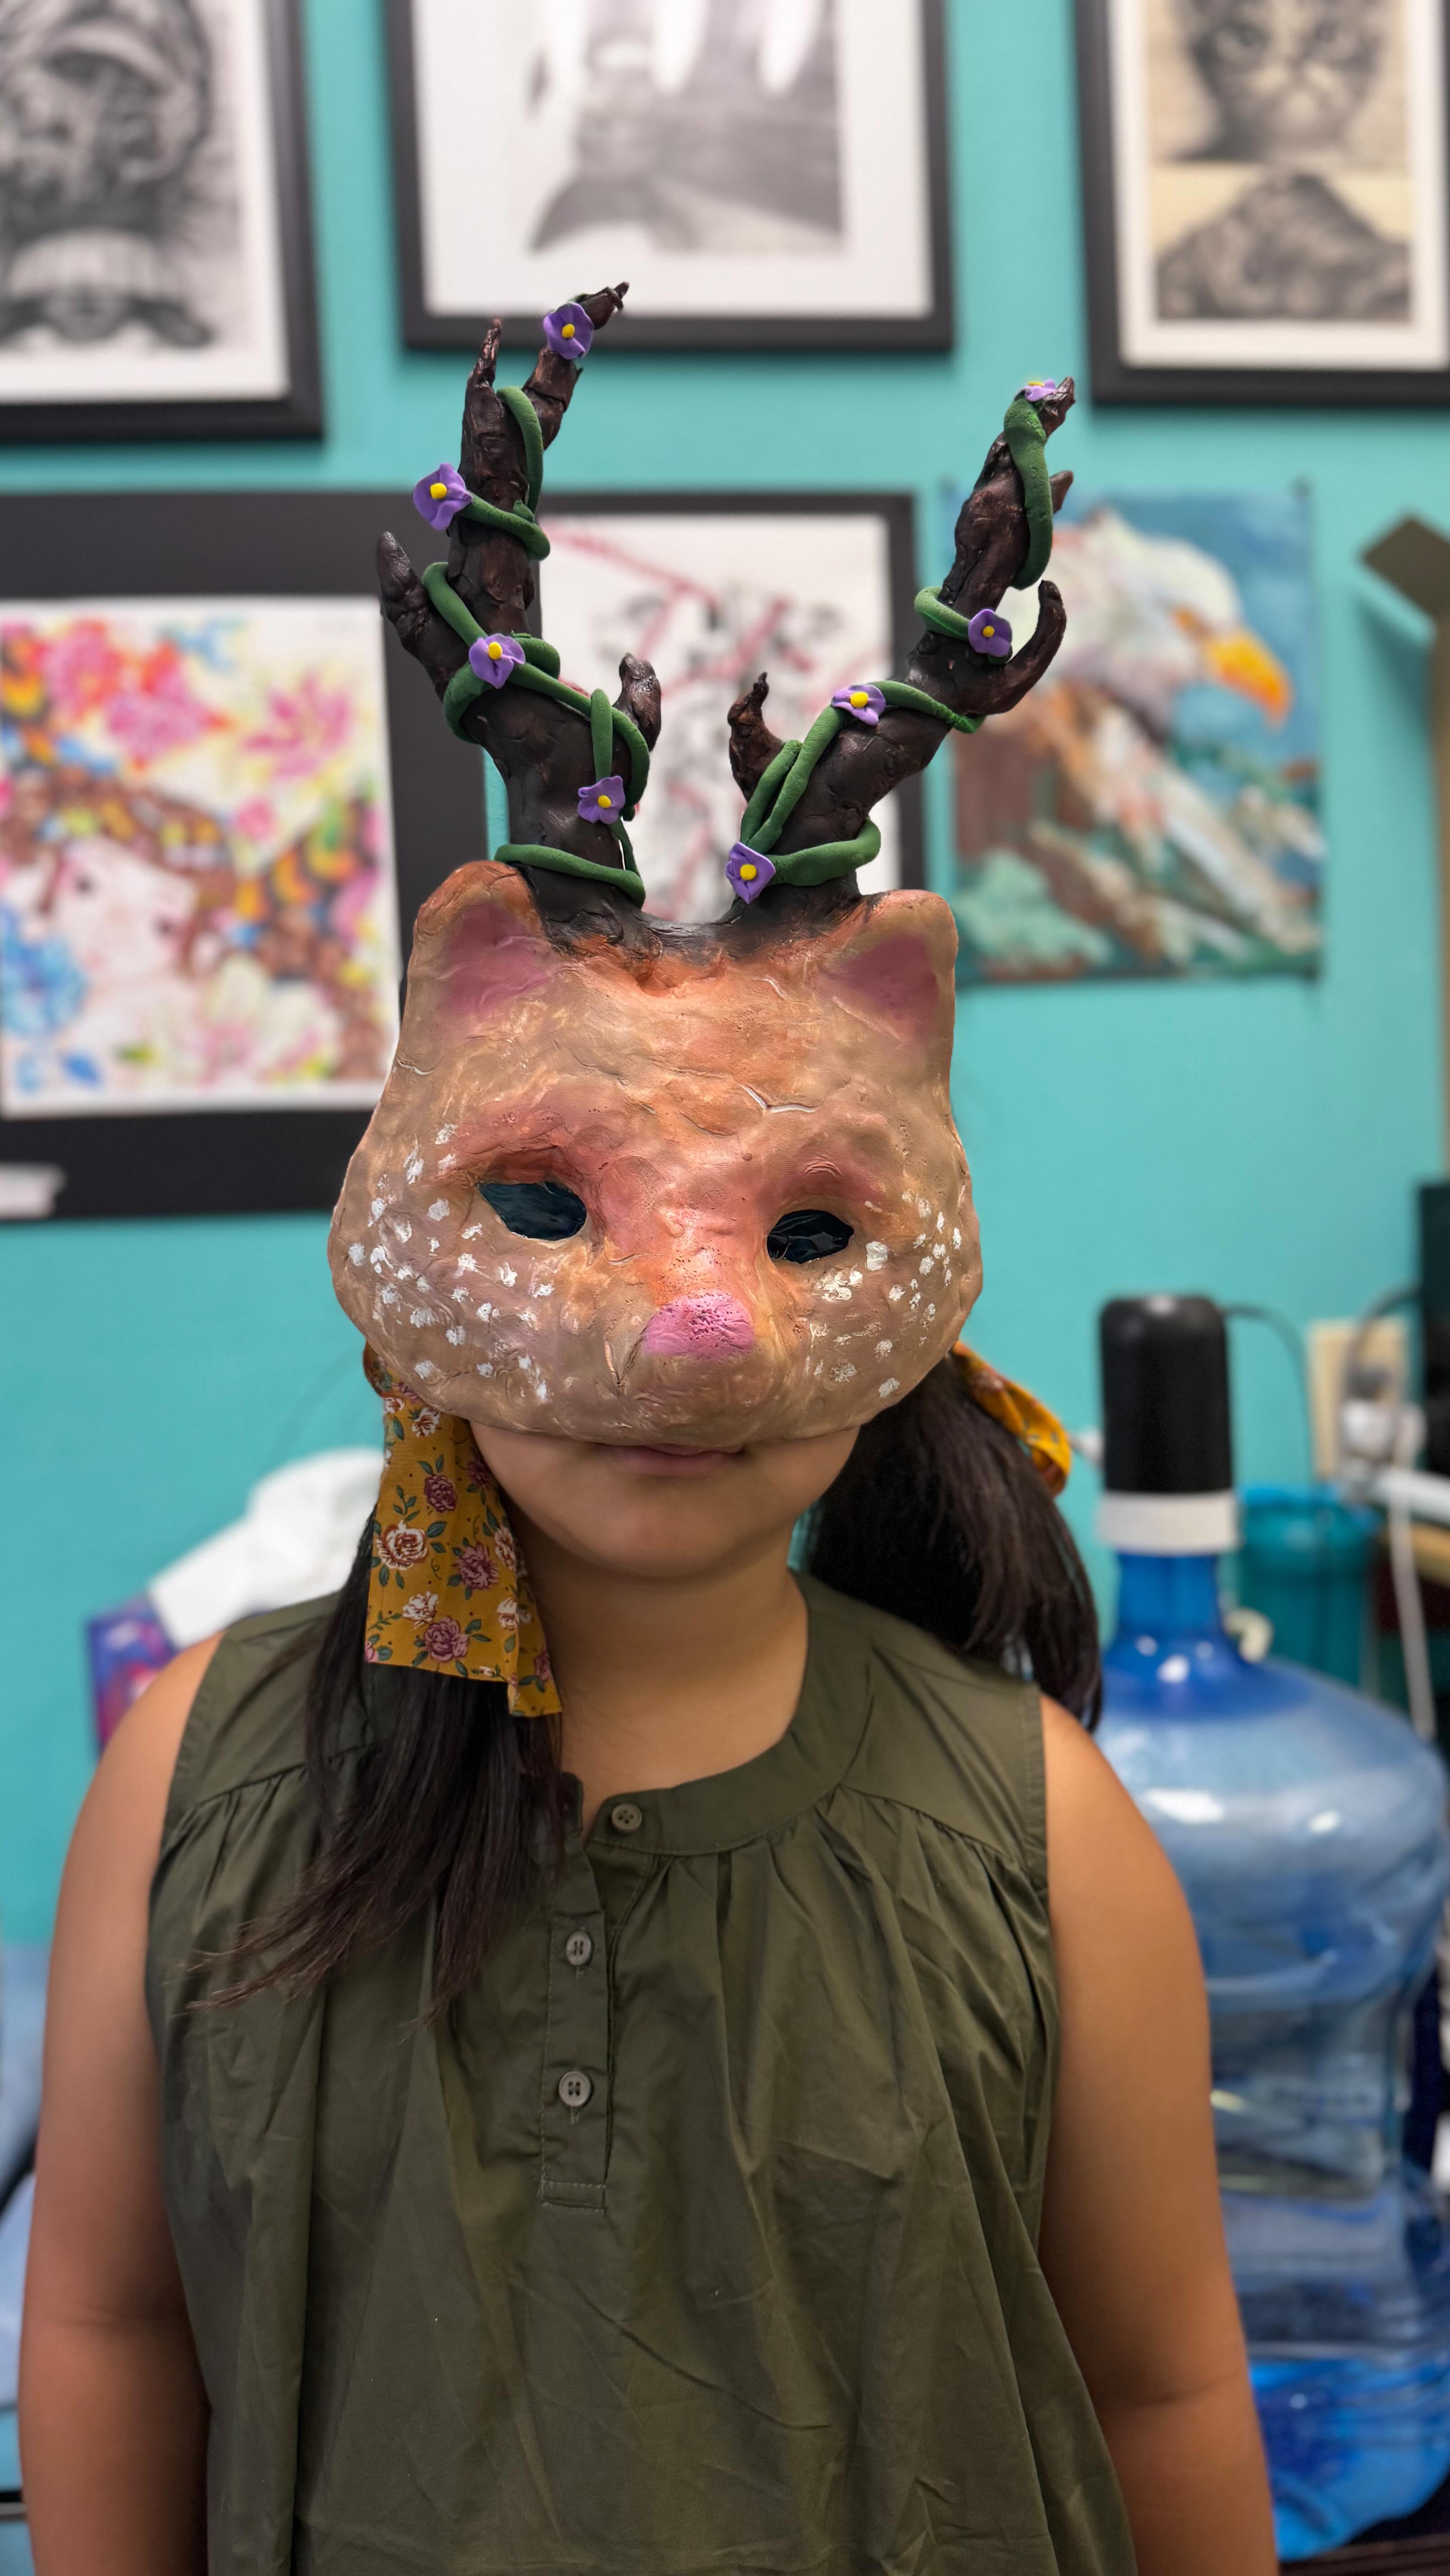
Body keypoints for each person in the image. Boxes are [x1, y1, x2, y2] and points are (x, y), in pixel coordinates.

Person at [19, 291, 1277, 2576]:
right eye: (548, 1205)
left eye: (803, 1232)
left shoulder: (1046, 1831)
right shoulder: (191, 1781)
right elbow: (110, 2326)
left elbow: (1164, 2387)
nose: (695, 1341)